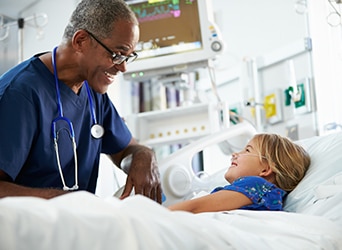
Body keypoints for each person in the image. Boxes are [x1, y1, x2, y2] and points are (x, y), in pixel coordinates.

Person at [0, 0, 162, 203]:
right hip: (27, 230)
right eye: (117, 55)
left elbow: (127, 149)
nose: (122, 68)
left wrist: (143, 156)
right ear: (81, 41)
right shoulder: (20, 94)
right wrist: (62, 201)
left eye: (128, 58)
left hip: (75, 225)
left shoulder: (93, 91)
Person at [168, 133, 310, 213]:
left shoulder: (257, 186)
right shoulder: (264, 194)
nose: (235, 154)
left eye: (247, 150)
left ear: (266, 170)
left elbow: (195, 207)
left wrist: (154, 215)